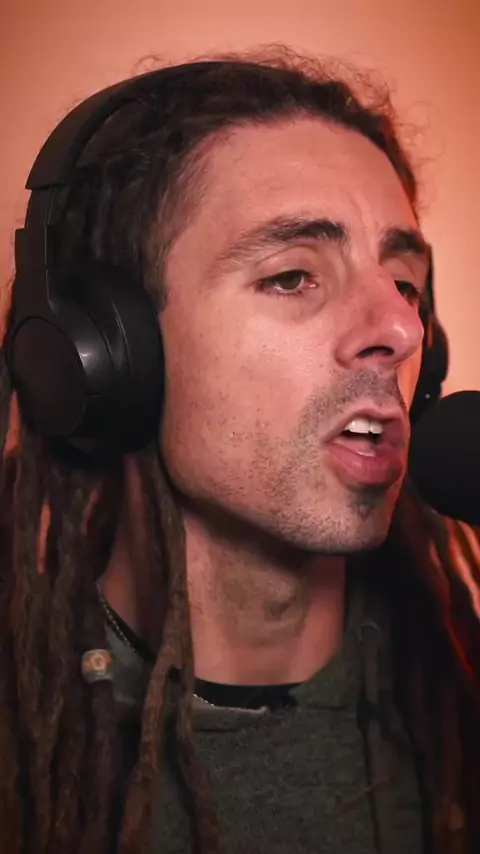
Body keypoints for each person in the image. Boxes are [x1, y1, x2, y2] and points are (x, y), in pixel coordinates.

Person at [1, 50, 480, 854]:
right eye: (293, 277)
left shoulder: (457, 705)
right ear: (106, 357)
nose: (402, 329)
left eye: (404, 284)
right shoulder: (26, 755)